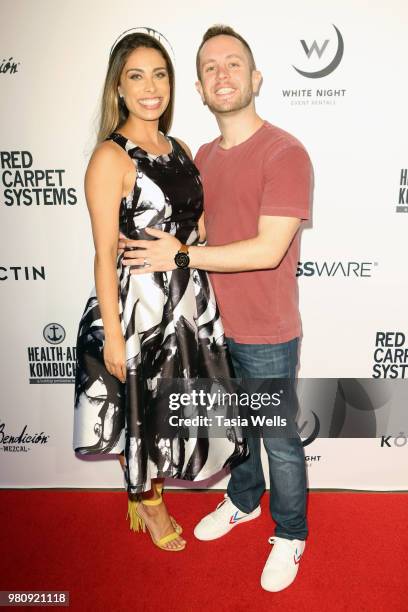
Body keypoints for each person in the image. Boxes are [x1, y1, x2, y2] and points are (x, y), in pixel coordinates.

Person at [121, 25, 313, 589]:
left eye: (233, 64)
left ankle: (292, 532)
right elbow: (195, 232)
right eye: (209, 68)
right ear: (200, 90)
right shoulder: (201, 154)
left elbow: (268, 247)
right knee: (240, 432)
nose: (221, 74)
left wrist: (180, 255)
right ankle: (243, 500)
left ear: (255, 79)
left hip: (265, 330)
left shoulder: (285, 151)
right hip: (208, 329)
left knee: (277, 438)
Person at [73, 30, 247, 553]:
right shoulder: (111, 157)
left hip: (188, 301)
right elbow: (104, 254)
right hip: (135, 309)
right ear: (119, 89)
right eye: (136, 76)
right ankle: (148, 500)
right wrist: (111, 338)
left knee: (171, 406)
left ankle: (152, 487)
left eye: (160, 74)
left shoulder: (181, 148)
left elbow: (195, 229)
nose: (150, 88)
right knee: (136, 409)